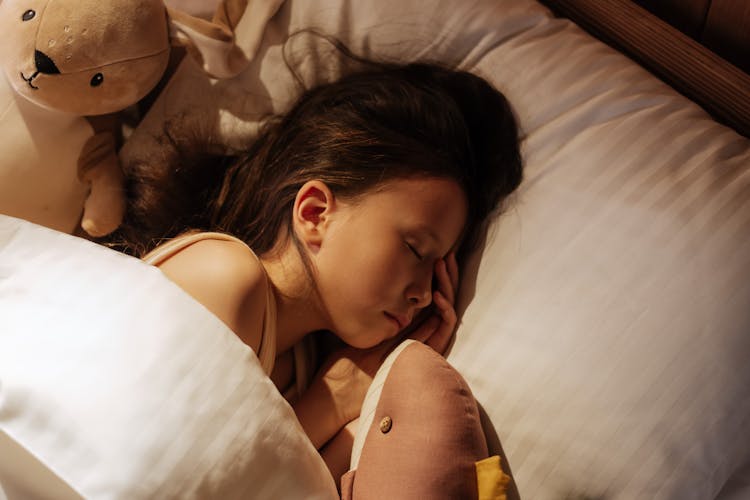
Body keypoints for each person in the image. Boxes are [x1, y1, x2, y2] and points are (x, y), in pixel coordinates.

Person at [111, 61, 523, 493]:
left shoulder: (307, 366)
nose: (424, 294)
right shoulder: (224, 276)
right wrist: (335, 397)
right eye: (416, 249)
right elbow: (189, 483)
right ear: (315, 213)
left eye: (438, 269)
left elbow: (284, 489)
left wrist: (362, 391)